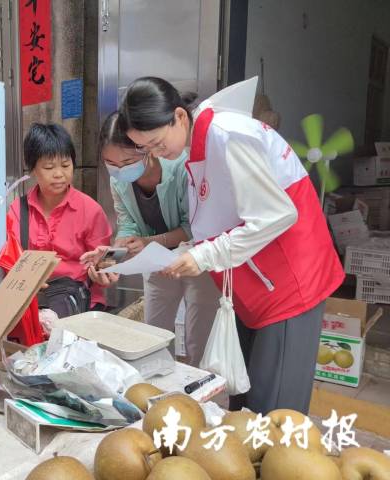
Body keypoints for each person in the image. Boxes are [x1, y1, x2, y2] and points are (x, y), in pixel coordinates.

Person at [117, 76, 344, 415]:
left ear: (179, 116)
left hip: (289, 282)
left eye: (156, 142)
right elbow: (222, 220)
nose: (156, 154)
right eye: (146, 149)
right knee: (245, 400)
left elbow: (277, 214)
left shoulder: (226, 136)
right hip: (255, 284)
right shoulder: (199, 147)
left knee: (275, 409)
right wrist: (187, 254)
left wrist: (206, 254)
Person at [84, 112, 218, 366]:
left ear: (147, 149)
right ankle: (160, 394)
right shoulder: (119, 182)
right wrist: (116, 254)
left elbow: (194, 227)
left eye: (127, 161)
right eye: (111, 163)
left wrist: (148, 242)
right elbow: (127, 224)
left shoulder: (182, 167)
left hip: (197, 261)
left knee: (199, 338)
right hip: (155, 264)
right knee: (154, 336)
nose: (119, 169)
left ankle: (200, 396)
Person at [8, 123, 117, 316]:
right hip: (31, 304)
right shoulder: (17, 211)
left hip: (82, 305)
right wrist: (25, 279)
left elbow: (102, 262)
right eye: (49, 167)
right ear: (32, 169)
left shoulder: (90, 210)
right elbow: (6, 260)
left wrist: (102, 272)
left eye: (66, 165)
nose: (59, 174)